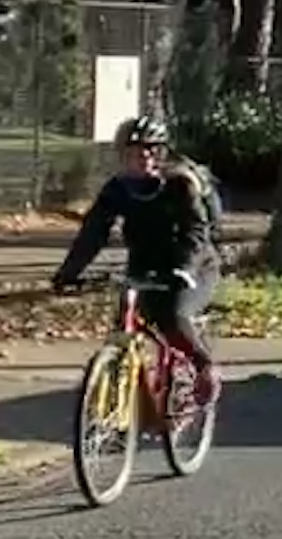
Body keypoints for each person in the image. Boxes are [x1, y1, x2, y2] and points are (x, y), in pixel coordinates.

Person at [56, 118, 224, 415]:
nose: (141, 158)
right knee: (126, 320)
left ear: (161, 155)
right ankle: (120, 404)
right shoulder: (117, 189)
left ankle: (204, 369)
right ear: (122, 157)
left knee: (172, 316)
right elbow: (93, 233)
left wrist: (184, 268)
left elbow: (195, 232)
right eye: (133, 153)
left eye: (149, 151)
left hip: (195, 264)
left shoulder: (180, 184)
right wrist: (68, 274)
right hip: (145, 263)